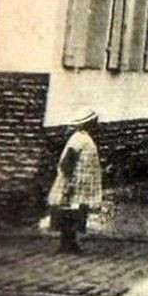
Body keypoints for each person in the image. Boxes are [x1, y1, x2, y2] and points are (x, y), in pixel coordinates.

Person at [46, 109, 103, 254]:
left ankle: (71, 242)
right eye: (94, 122)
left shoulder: (84, 138)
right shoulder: (79, 139)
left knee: (75, 211)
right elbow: (68, 161)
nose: (96, 124)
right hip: (73, 182)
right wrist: (68, 183)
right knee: (70, 211)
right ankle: (66, 243)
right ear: (87, 123)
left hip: (81, 183)